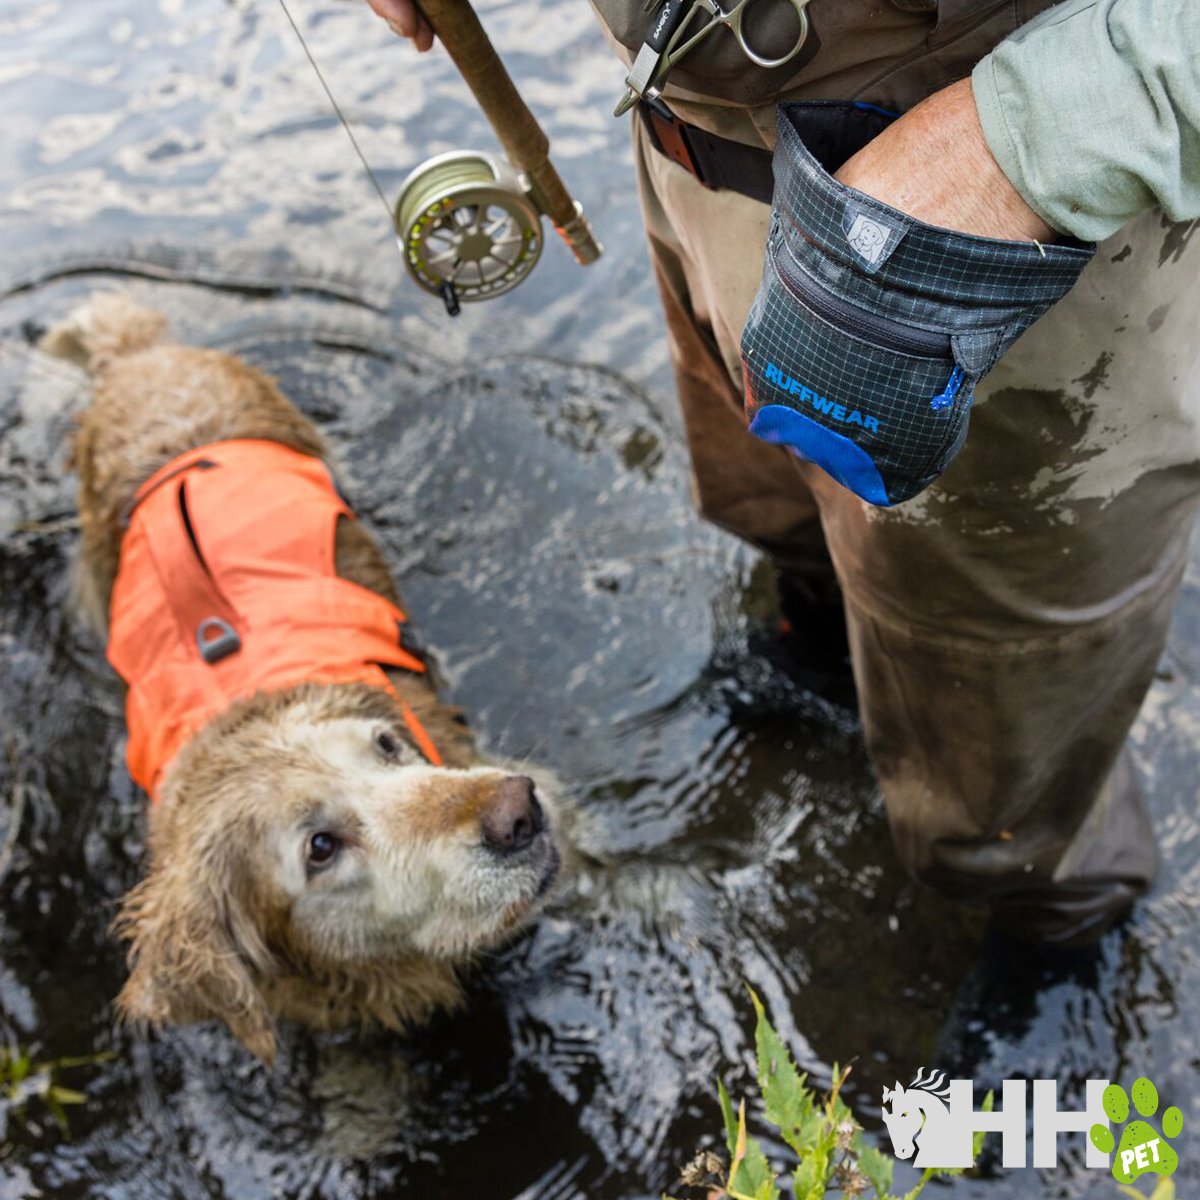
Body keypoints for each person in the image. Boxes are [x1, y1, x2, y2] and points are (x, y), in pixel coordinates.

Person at [364, 0, 1200, 949]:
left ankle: (1056, 937)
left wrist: (1035, 134)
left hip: (995, 235)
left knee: (1006, 799)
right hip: (698, 147)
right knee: (773, 514)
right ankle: (825, 657)